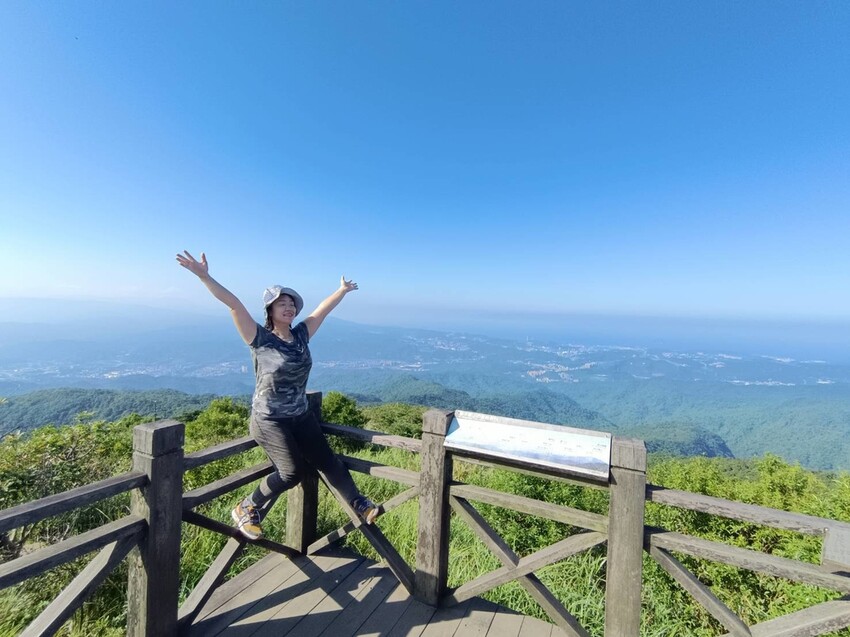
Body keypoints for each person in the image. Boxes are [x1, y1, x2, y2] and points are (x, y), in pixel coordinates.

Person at [176, 250, 379, 540]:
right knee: (291, 472)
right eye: (282, 303)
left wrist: (342, 290)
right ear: (270, 310)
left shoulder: (301, 335)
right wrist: (204, 276)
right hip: (269, 419)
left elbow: (321, 311)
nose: (289, 307)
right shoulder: (259, 338)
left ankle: (358, 503)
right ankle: (247, 506)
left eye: (292, 304)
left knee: (329, 462)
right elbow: (233, 304)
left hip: (300, 414)